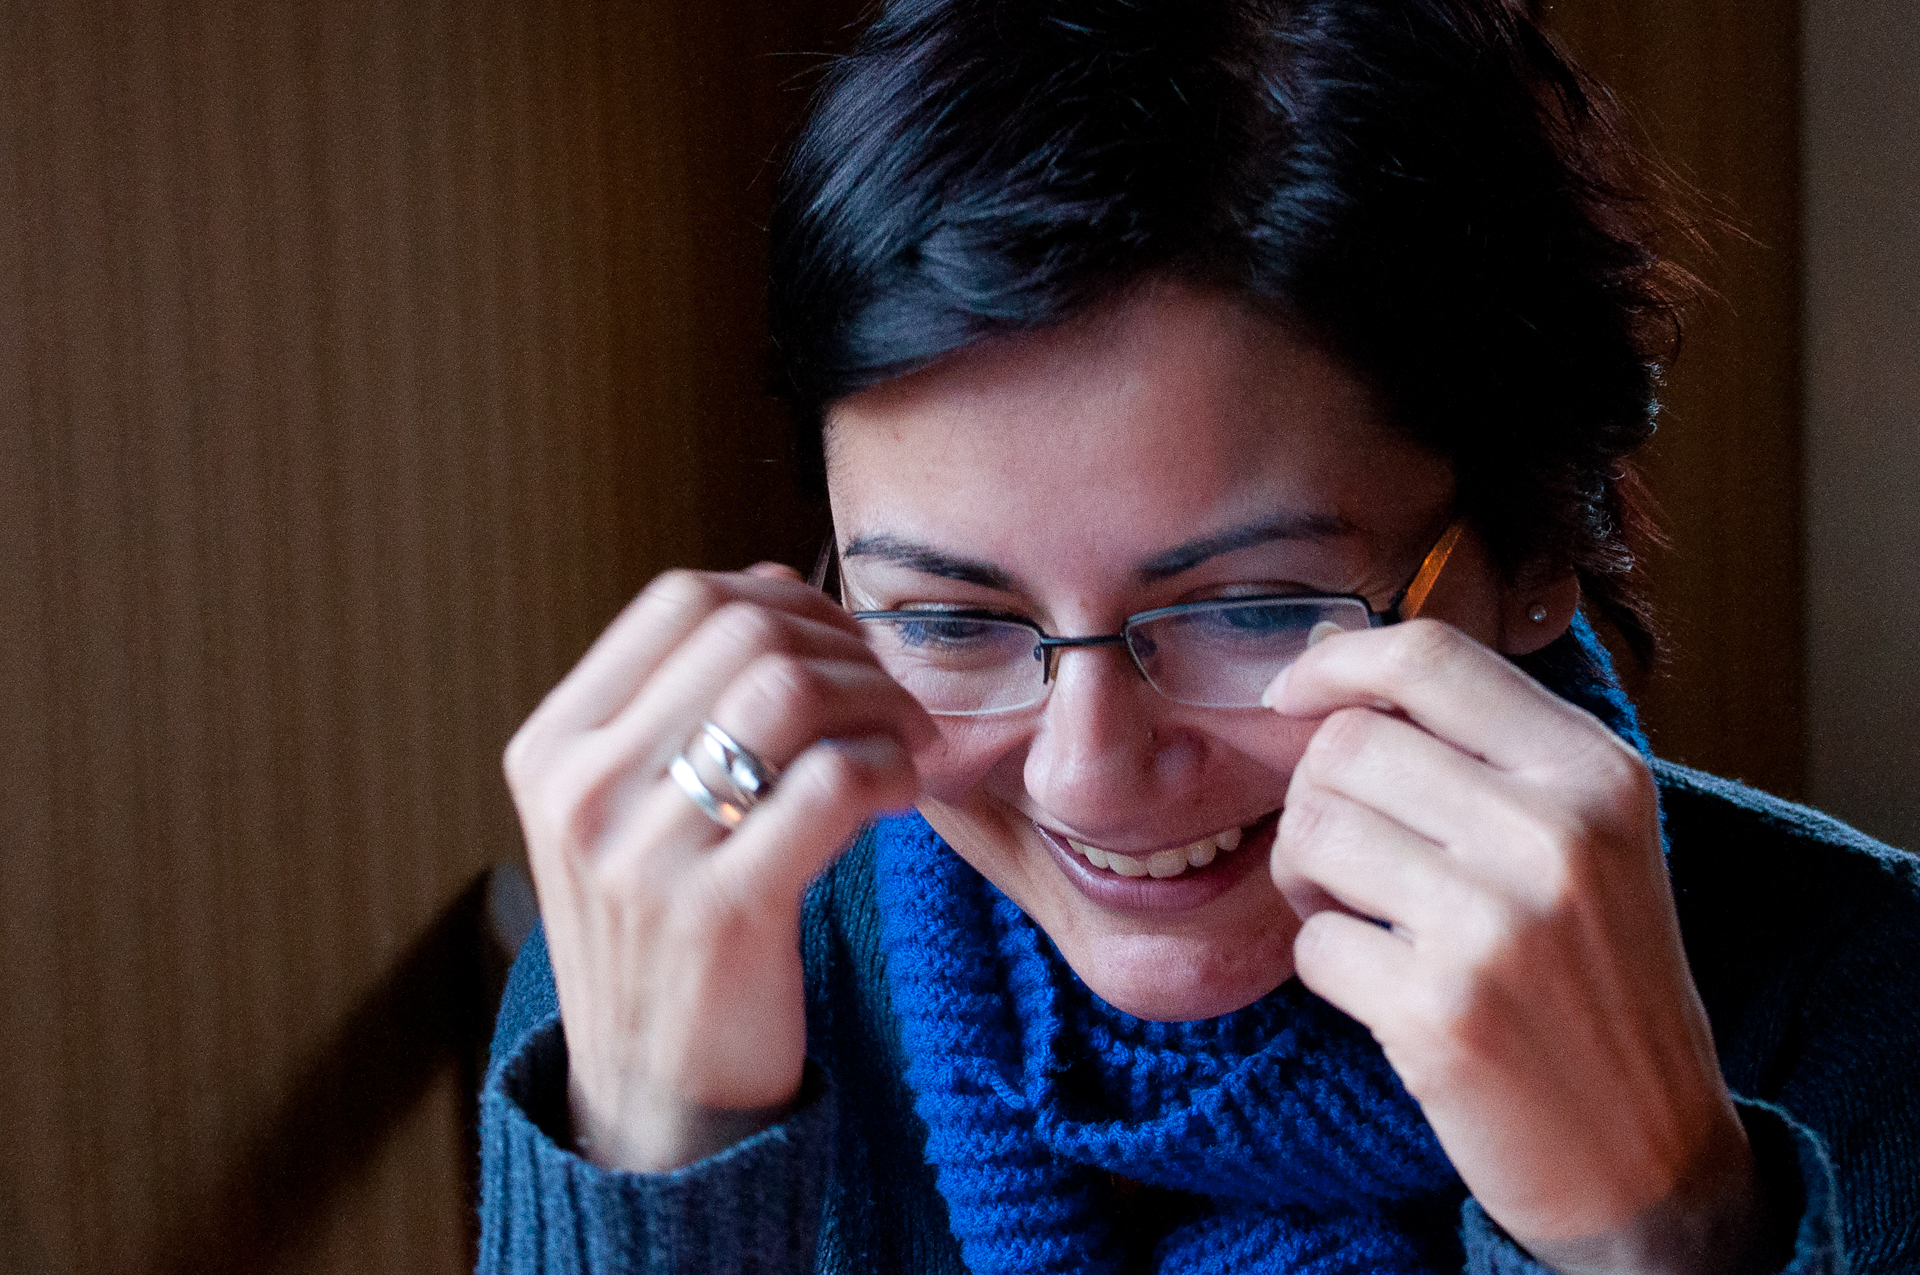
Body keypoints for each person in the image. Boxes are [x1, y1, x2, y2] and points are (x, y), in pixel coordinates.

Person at [476, 1, 1920, 1271]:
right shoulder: (686, 962)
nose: (1085, 776)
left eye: (1252, 609)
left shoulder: (1867, 1016)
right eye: (952, 619)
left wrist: (1659, 1232)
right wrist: (650, 1181)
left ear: (1541, 543)